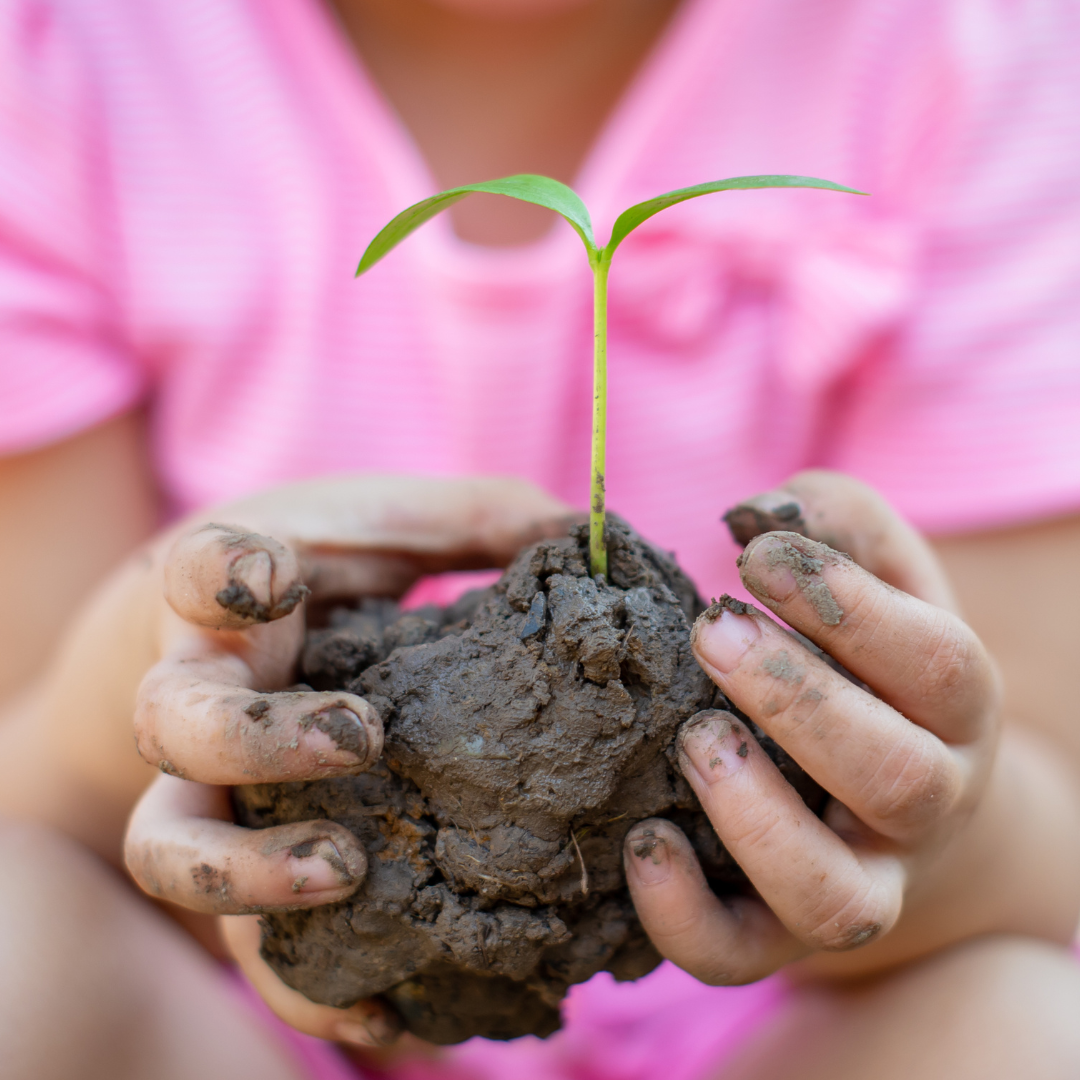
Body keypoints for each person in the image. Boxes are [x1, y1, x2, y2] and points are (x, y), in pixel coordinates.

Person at [1, 0, 1080, 1077]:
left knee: (1033, 1034)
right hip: (241, 1016)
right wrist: (154, 701)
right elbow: (27, 791)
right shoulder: (71, 53)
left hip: (773, 1023)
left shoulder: (962, 49)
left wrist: (912, 829)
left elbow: (1054, 825)